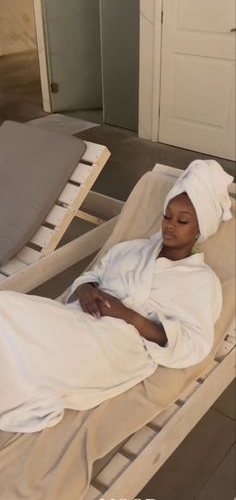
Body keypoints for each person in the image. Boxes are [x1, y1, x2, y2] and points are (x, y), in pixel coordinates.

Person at [0, 160, 233, 433]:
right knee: (6, 305)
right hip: (77, 318)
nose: (169, 226)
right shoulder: (131, 250)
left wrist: (129, 316)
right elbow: (91, 275)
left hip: (118, 346)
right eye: (167, 216)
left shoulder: (202, 282)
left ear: (199, 228)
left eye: (182, 221)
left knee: (25, 343)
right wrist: (86, 289)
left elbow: (193, 345)